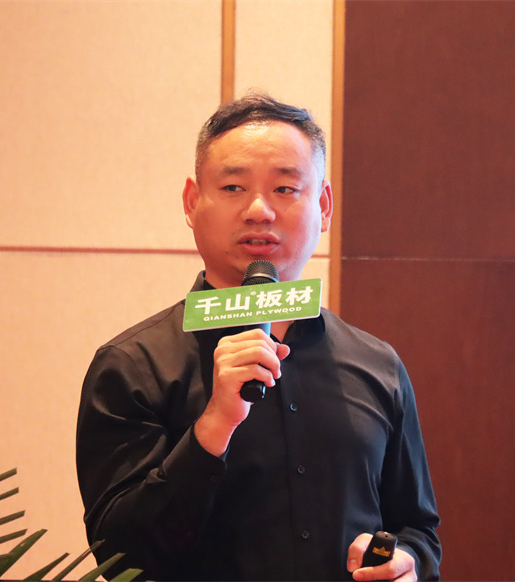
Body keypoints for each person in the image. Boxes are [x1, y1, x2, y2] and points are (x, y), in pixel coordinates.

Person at [76, 91, 441, 581]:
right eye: (233, 187)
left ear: (324, 206)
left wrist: (406, 563)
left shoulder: (377, 363)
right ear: (192, 202)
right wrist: (214, 426)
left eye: (285, 189)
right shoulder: (132, 366)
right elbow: (121, 558)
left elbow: (418, 530)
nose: (259, 211)